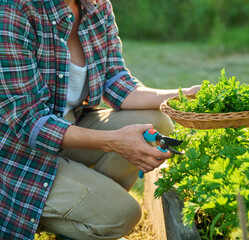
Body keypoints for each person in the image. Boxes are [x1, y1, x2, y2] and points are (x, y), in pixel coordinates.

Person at [0, 0, 200, 239]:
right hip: (18, 154)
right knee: (124, 215)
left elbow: (116, 81)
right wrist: (114, 140)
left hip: (71, 131)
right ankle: (83, 215)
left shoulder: (96, 6)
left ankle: (86, 215)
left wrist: (182, 95)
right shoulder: (13, 10)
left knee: (156, 119)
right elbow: (30, 122)